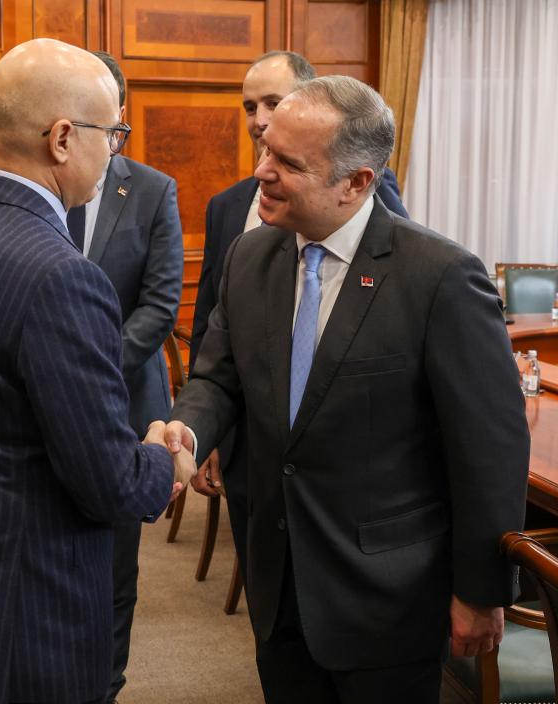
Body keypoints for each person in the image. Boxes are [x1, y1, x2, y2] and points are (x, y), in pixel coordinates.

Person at [165, 76, 529, 702]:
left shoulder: (440, 276)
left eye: (287, 162)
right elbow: (218, 377)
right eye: (265, 150)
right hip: (278, 581)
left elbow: (489, 449)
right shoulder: (250, 257)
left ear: (356, 182)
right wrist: (187, 430)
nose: (261, 171)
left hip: (388, 598)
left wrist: (480, 591)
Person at [0, 39, 192, 704]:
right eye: (112, 133)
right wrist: (161, 454)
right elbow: (110, 484)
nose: (115, 151)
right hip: (25, 612)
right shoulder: (62, 276)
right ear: (62, 139)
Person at [188, 50, 411, 570]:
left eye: (274, 103)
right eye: (250, 108)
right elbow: (213, 339)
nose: (259, 123)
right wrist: (201, 432)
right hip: (256, 463)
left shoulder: (430, 265)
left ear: (356, 183)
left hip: (359, 520)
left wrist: (480, 589)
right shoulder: (237, 227)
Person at [77, 51, 184, 704]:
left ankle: (106, 685)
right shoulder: (35, 187)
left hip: (122, 403)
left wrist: (87, 371)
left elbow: (160, 303)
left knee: (117, 566)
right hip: (40, 407)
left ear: (120, 108)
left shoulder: (150, 189)